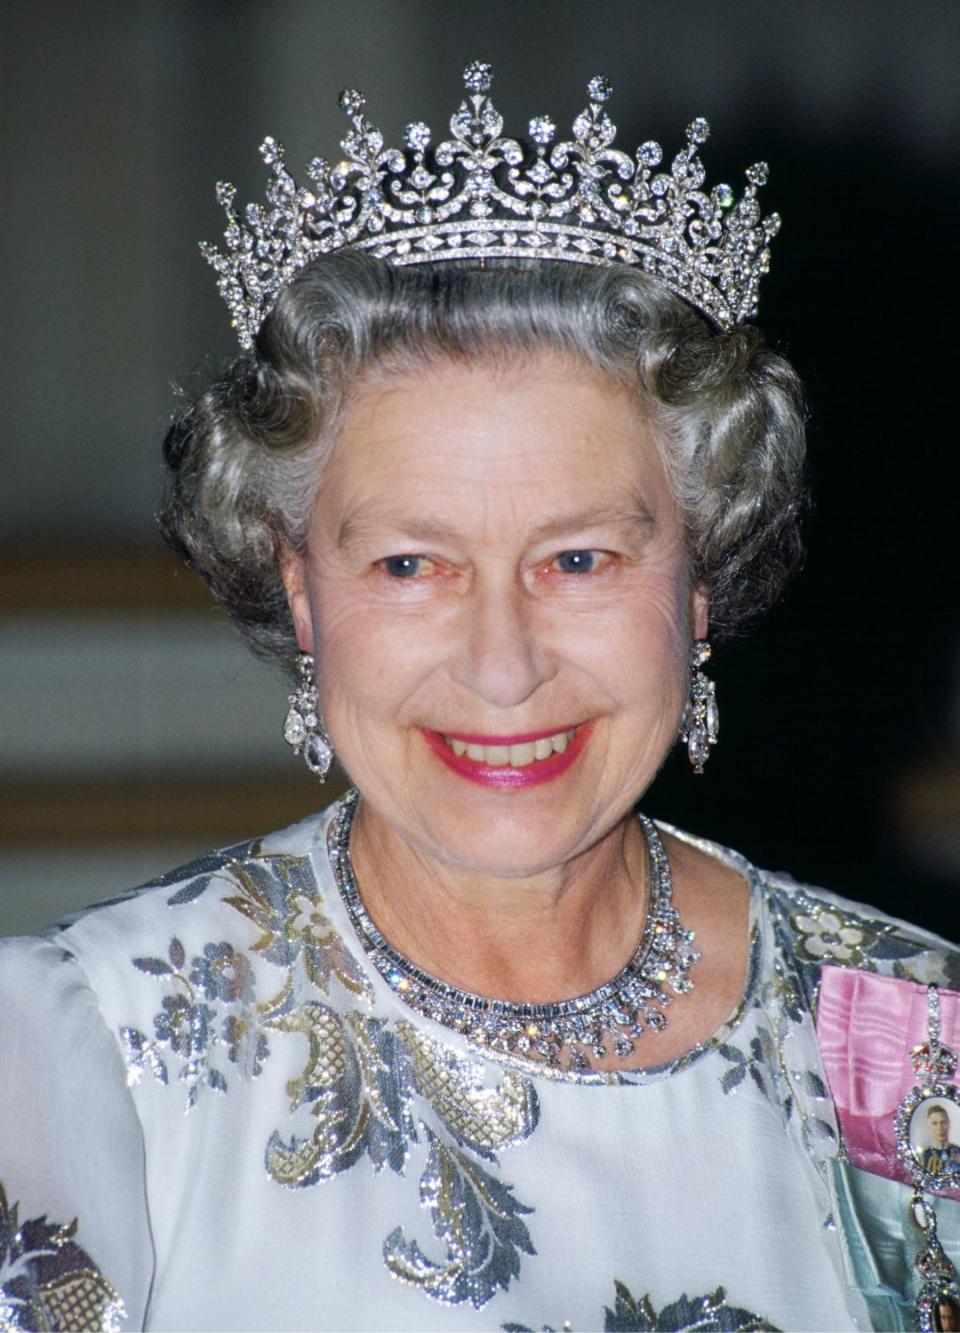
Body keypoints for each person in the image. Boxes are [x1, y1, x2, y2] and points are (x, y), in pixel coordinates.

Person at [1, 62, 957, 1332]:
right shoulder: (87, 1062)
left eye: (579, 560)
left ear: (699, 584)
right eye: (410, 564)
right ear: (301, 592)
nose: (503, 667)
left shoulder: (906, 1039)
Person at [922, 1105, 960, 1178]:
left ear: (949, 1124)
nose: (940, 1128)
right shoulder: (925, 1155)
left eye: (943, 1122)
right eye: (935, 1123)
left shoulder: (958, 1150)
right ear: (929, 1126)